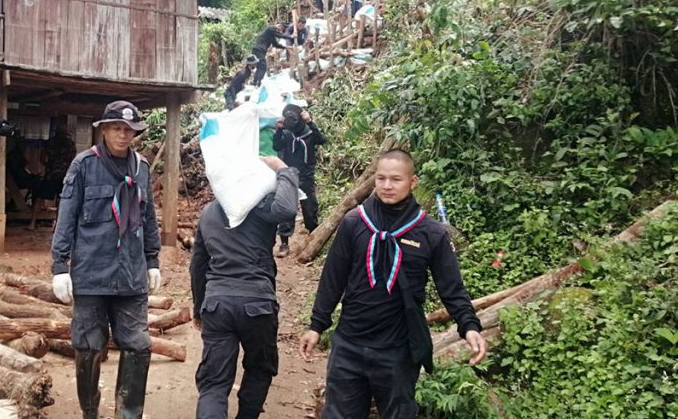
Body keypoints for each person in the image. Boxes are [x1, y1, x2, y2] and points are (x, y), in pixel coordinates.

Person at [299, 149, 487, 418]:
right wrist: (317, 325)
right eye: (381, 178)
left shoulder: (430, 233)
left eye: (396, 179)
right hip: (349, 344)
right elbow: (333, 278)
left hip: (398, 351)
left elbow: (452, 288)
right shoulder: (354, 222)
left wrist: (469, 327)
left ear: (413, 182)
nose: (387, 185)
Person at [50, 100, 162, 419]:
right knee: (88, 346)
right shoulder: (84, 165)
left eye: (129, 130)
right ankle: (90, 412)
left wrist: (152, 260)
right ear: (104, 130)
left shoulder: (141, 167)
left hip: (131, 276)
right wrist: (60, 266)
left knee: (138, 345)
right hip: (91, 274)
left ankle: (128, 414)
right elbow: (67, 216)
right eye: (116, 128)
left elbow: (148, 217)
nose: (123, 135)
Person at [190, 155, 299, 419]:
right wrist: (284, 170)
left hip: (217, 305)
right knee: (260, 368)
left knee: (214, 383)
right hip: (258, 304)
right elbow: (287, 209)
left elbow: (198, 267)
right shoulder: (260, 207)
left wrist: (199, 308)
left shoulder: (209, 213)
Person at [271, 104, 326, 257]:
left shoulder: (309, 132)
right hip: (290, 175)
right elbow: (276, 146)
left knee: (309, 208)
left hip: (306, 175)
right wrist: (279, 130)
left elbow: (322, 140)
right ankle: (284, 244)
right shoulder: (287, 133)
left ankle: (313, 238)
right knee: (287, 209)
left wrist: (310, 122)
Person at [250, 22, 288, 86]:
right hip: (259, 50)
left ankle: (255, 81)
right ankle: (257, 82)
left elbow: (276, 44)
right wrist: (291, 36)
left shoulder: (271, 35)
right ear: (279, 26)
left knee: (260, 67)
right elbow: (281, 36)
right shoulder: (270, 28)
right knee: (262, 67)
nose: (279, 32)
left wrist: (285, 47)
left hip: (259, 50)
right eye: (280, 30)